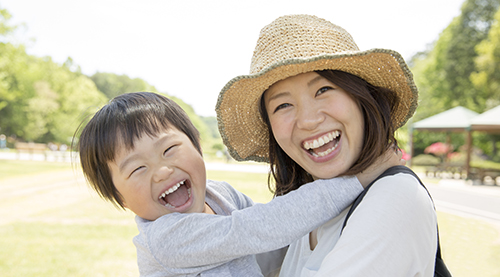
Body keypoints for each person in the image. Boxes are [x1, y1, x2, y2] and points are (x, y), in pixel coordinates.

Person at [76, 91, 401, 276]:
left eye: (170, 150)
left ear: (197, 146)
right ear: (119, 198)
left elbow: (275, 245)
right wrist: (358, 178)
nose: (161, 171)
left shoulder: (221, 195)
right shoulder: (164, 239)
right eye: (137, 169)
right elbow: (258, 228)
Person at [216, 14, 438, 276]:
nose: (309, 121)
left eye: (323, 90)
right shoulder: (307, 208)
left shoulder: (395, 197)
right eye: (283, 105)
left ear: (362, 98)